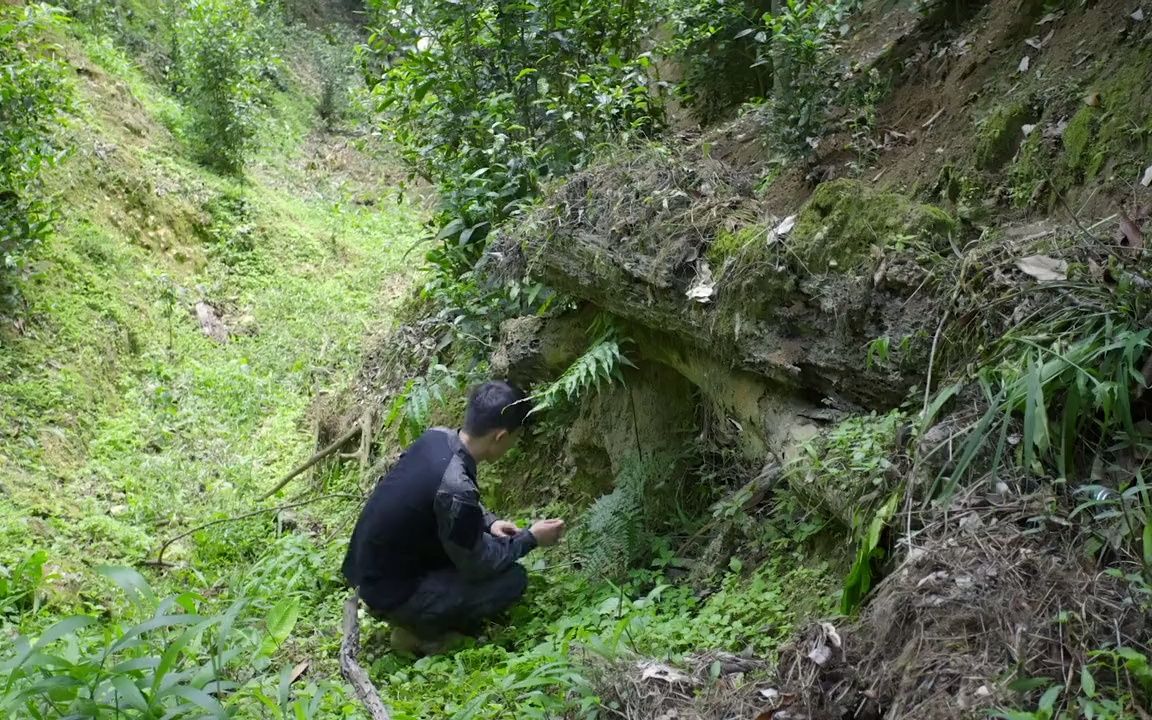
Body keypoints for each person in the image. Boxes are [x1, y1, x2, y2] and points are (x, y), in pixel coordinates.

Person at [341, 380, 566, 655]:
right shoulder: (456, 487)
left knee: (486, 555)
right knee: (512, 580)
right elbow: (479, 563)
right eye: (516, 438)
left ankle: (412, 615)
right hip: (390, 593)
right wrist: (531, 538)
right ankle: (418, 635)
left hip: (369, 572)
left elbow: (439, 500)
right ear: (500, 437)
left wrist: (490, 523)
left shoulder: (435, 438)